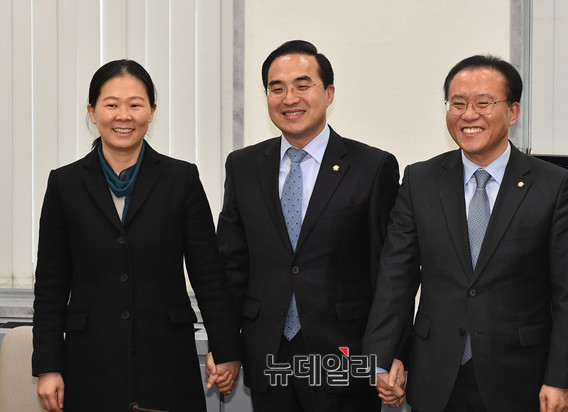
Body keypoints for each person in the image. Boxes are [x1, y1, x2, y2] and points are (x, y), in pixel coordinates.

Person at [364, 55, 568, 412]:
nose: (469, 115)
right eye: (458, 104)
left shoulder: (553, 185)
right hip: (435, 372)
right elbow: (396, 278)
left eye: (483, 103)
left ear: (512, 112)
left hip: (519, 376)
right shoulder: (421, 181)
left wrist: (561, 377)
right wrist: (383, 356)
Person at [32, 59, 242, 412]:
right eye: (111, 104)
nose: (123, 116)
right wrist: (48, 367)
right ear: (92, 111)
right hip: (90, 362)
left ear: (152, 111)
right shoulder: (64, 184)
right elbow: (51, 285)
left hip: (167, 360)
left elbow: (209, 274)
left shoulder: (181, 179)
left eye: (135, 104)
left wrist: (226, 349)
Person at [215, 40, 400, 412]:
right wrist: (225, 346)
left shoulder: (372, 167)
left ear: (328, 93)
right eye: (277, 88)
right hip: (269, 351)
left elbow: (390, 271)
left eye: (302, 85)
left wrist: (390, 352)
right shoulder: (243, 166)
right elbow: (231, 265)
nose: (289, 98)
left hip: (345, 355)